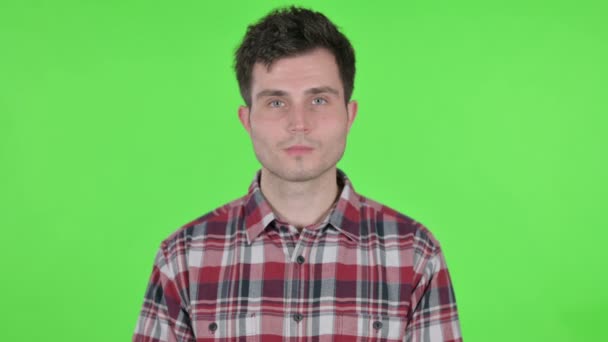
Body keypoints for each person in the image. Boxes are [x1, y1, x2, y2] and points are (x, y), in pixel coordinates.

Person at [133, 6, 462, 342]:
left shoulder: (415, 254)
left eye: (318, 99)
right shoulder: (183, 258)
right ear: (247, 120)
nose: (299, 123)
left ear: (349, 115)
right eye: (276, 102)